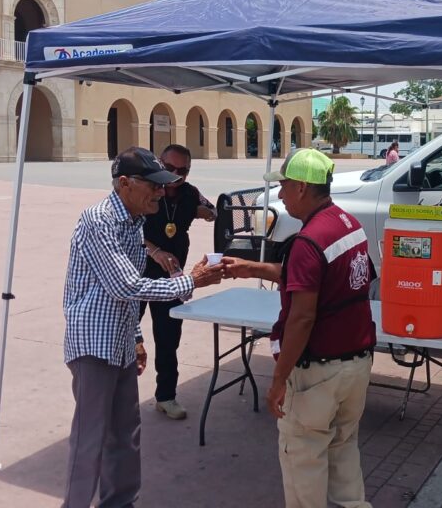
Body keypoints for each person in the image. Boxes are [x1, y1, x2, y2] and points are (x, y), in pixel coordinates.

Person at [62, 146, 224, 508]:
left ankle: (120, 502)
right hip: (93, 346)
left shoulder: (134, 222)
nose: (159, 191)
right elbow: (127, 286)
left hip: (118, 343)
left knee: (126, 434)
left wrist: (135, 337)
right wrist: (192, 281)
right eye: (153, 184)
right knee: (90, 440)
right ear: (124, 183)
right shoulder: (99, 220)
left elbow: (126, 292)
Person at [222, 148, 376, 508]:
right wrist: (252, 268)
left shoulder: (308, 241)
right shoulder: (347, 224)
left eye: (285, 185)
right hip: (355, 365)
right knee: (342, 450)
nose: (280, 194)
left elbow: (303, 316)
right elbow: (322, 281)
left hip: (319, 372)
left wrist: (278, 379)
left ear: (303, 188)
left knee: (303, 457)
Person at [139, 144, 216, 420]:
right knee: (124, 335)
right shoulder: (146, 191)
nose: (176, 175)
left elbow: (212, 209)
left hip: (171, 278)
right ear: (160, 164)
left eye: (182, 170)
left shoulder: (189, 193)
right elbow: (128, 230)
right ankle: (118, 398)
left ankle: (166, 397)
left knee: (169, 336)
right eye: (170, 168)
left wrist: (203, 211)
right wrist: (155, 251)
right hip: (136, 273)